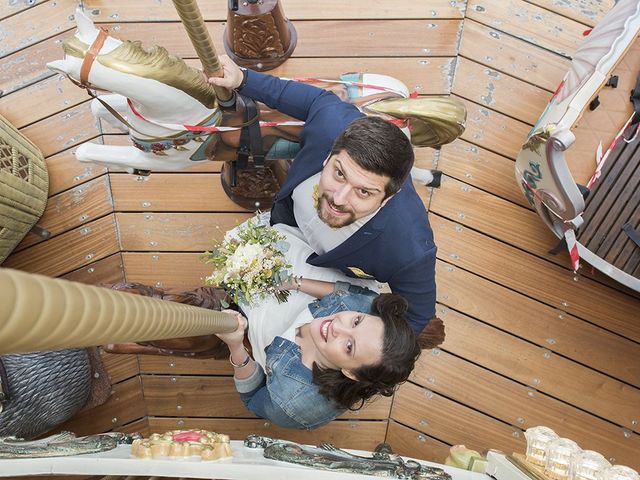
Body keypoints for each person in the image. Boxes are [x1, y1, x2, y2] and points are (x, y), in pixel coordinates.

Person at [208, 57, 438, 334]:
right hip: (284, 226)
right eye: (339, 174)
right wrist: (243, 79)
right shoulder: (332, 123)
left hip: (329, 274)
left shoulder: (409, 250)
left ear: (389, 198)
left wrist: (352, 340)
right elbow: (314, 99)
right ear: (329, 154)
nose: (338, 199)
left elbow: (417, 319)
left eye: (364, 192)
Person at [216, 223, 421, 429]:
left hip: (273, 345)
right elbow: (345, 294)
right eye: (356, 321)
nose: (337, 327)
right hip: (301, 298)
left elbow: (253, 399)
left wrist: (235, 345)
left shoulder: (292, 402)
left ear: (351, 373)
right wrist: (293, 283)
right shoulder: (367, 308)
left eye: (349, 346)